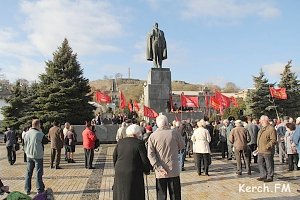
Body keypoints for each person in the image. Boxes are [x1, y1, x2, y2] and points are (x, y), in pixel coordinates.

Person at [147, 114, 185, 200]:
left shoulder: (153, 136)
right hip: (173, 168)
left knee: (161, 195)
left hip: (160, 170)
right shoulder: (174, 133)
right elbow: (182, 145)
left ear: (157, 124)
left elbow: (150, 154)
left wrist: (157, 166)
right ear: (167, 123)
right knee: (175, 195)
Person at [113, 124, 151, 200]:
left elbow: (114, 156)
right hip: (133, 172)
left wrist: (116, 167)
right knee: (133, 194)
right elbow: (144, 159)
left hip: (119, 171)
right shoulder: (139, 143)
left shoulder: (120, 142)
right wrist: (147, 170)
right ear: (136, 133)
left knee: (121, 193)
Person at [24, 119, 49, 195]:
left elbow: (24, 143)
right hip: (37, 155)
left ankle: (27, 189)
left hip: (29, 155)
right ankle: (40, 189)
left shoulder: (27, 133)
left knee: (28, 173)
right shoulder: (39, 133)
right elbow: (46, 141)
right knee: (38, 173)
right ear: (38, 125)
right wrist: (41, 131)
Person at [256, 115, 277, 182]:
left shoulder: (271, 129)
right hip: (260, 150)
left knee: (269, 164)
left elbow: (273, 140)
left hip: (267, 151)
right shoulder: (261, 129)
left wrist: (267, 146)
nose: (260, 121)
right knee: (260, 163)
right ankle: (263, 175)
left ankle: (270, 176)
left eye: (261, 120)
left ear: (265, 121)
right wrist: (258, 147)